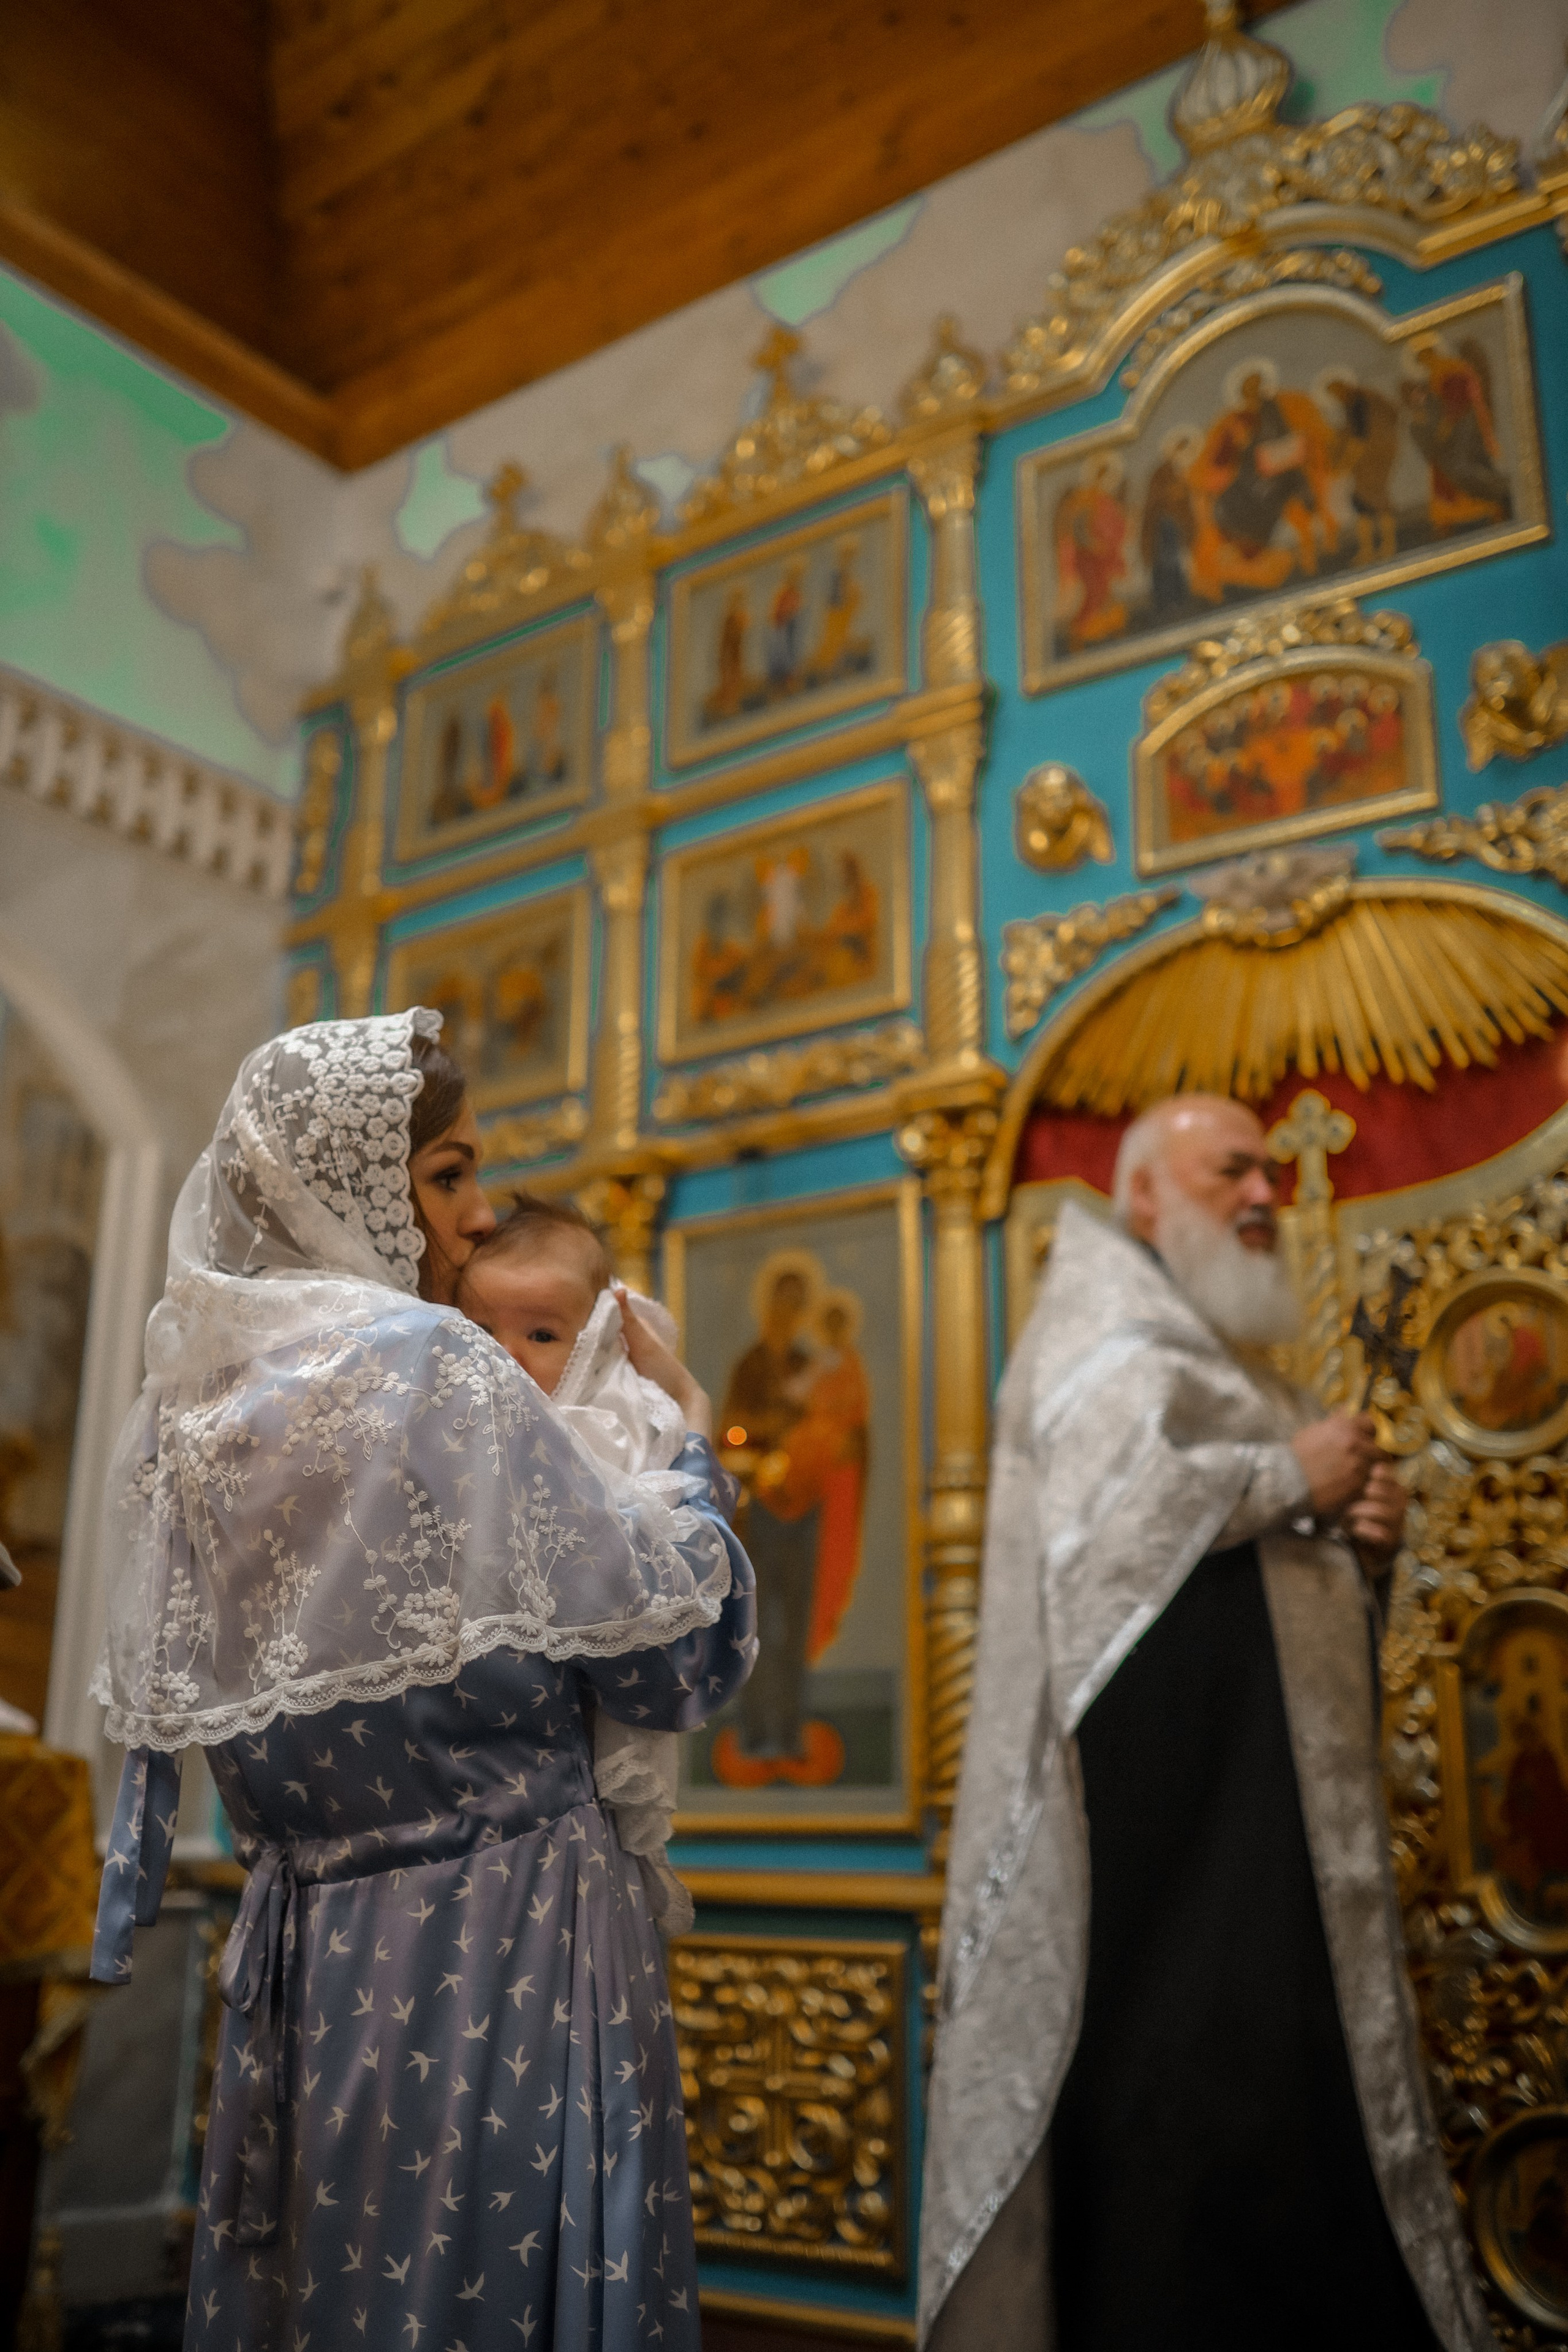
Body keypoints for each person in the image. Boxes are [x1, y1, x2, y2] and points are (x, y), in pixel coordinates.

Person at [89, 1011, 757, 2351]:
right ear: (343, 1185)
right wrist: (685, 1440)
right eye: (445, 1174)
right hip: (502, 1925)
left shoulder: (183, 1408)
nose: (473, 1220)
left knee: (334, 2288)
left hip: (306, 1939)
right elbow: (675, 1655)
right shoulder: (432, 1364)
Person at [921, 1093, 1491, 2352]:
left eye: (1264, 1181)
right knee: (1175, 2160)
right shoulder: (1103, 1342)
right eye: (1229, 1171)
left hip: (1262, 1845)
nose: (1259, 1197)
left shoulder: (1222, 1361)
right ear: (1140, 1197)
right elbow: (1109, 1547)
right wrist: (1289, 1480)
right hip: (1151, 1861)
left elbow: (1250, 1607)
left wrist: (1354, 1549)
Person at [456, 1192, 701, 1927]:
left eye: (540, 1333)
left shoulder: (602, 1425)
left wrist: (688, 1409)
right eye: (478, 1333)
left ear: (594, 1341)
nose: (506, 1357)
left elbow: (653, 1553)